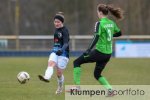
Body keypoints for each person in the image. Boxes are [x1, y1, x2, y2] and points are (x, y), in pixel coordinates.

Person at [73, 4, 124, 92]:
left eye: (97, 12)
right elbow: (119, 33)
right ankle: (111, 90)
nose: (97, 13)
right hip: (108, 54)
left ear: (100, 12)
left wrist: (88, 50)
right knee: (97, 74)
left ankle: (77, 88)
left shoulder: (99, 23)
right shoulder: (111, 23)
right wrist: (110, 35)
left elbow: (96, 37)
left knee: (77, 62)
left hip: (99, 52)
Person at [38, 12, 70, 94]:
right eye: (55, 21)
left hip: (64, 53)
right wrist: (56, 50)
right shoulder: (56, 30)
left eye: (58, 22)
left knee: (59, 73)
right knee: (51, 64)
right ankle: (46, 77)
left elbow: (66, 43)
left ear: (62, 22)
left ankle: (60, 87)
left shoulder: (65, 31)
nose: (56, 23)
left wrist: (62, 50)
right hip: (55, 51)